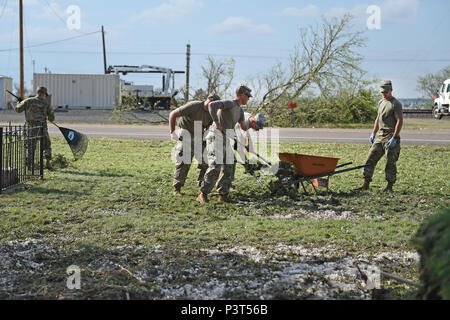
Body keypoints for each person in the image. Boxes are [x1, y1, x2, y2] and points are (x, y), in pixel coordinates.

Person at [197, 85, 252, 204]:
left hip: (226, 138)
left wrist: (252, 124)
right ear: (242, 94)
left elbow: (243, 126)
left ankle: (223, 194)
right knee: (216, 163)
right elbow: (212, 105)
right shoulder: (229, 103)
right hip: (216, 135)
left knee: (229, 165)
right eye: (247, 96)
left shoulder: (240, 111)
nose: (248, 98)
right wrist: (216, 122)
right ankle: (203, 193)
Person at [169, 93, 221, 196]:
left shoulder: (213, 113)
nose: (212, 107)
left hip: (199, 133)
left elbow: (210, 126)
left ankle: (202, 187)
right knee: (184, 160)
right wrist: (172, 132)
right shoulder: (194, 106)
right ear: (207, 100)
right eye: (211, 104)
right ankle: (177, 188)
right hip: (186, 131)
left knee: (205, 160)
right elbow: (173, 114)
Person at [356, 80, 403, 192]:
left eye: (386, 92)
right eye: (382, 92)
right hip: (380, 137)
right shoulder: (381, 102)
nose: (384, 94)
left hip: (390, 137)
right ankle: (365, 183)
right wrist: (373, 132)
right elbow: (378, 118)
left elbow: (399, 120)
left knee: (390, 162)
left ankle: (389, 186)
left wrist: (395, 137)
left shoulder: (395, 104)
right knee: (369, 159)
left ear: (391, 90)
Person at [219, 112, 267, 192]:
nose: (258, 129)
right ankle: (226, 185)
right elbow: (240, 147)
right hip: (222, 134)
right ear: (253, 121)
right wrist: (247, 163)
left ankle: (227, 184)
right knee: (230, 161)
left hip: (231, 133)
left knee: (232, 160)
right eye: (257, 127)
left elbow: (246, 134)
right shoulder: (244, 122)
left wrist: (249, 145)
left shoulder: (249, 118)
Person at [14, 86, 55, 170]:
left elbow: (17, 109)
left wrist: (19, 102)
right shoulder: (46, 103)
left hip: (31, 127)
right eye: (45, 95)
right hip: (42, 127)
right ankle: (47, 163)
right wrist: (51, 113)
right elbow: (51, 119)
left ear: (37, 93)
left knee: (30, 146)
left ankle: (29, 165)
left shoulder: (28, 101)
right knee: (46, 145)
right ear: (44, 94)